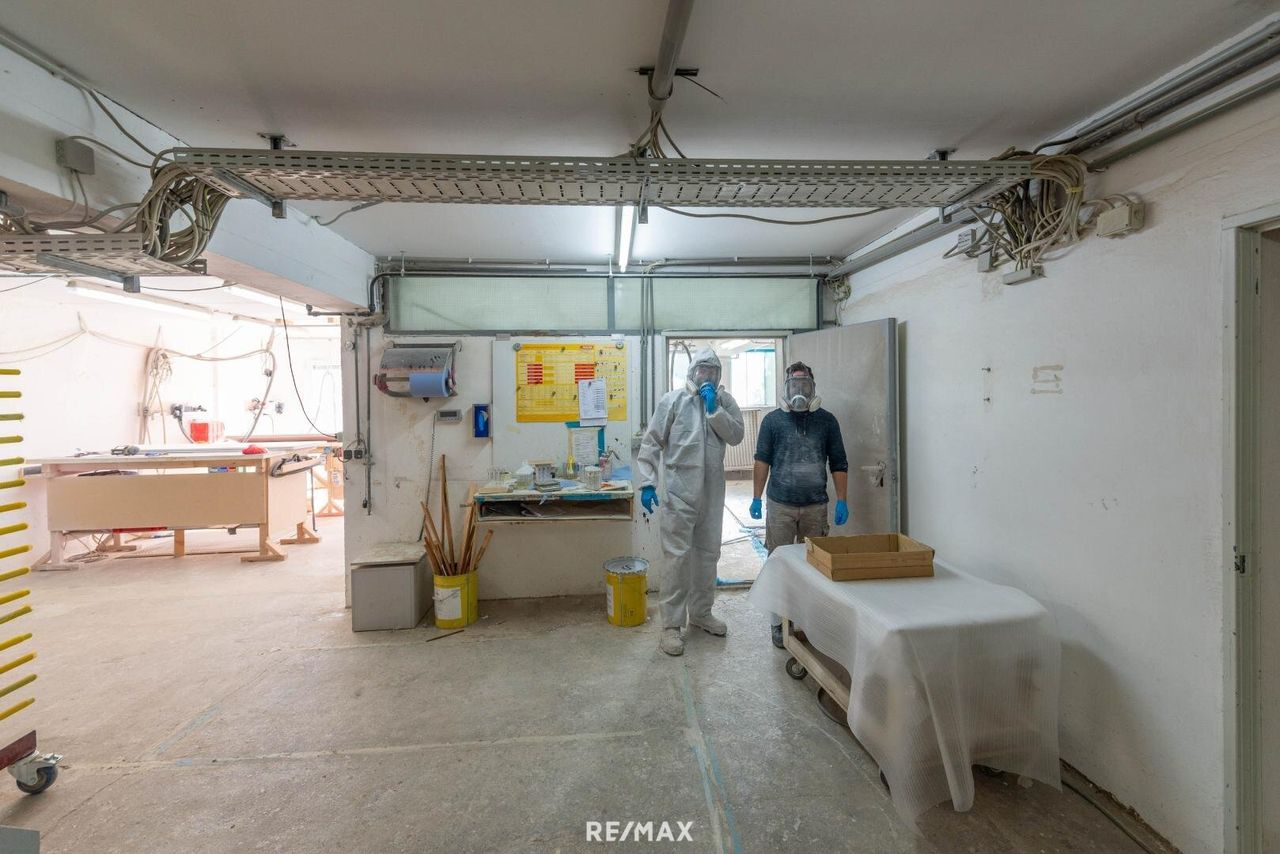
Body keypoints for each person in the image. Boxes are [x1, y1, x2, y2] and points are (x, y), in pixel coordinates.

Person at [636, 347, 745, 656]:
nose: (707, 376)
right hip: (678, 492)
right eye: (702, 370)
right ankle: (671, 625)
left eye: (712, 371)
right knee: (677, 558)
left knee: (708, 554)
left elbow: (736, 436)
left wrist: (715, 410)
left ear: (719, 375)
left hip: (712, 493)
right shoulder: (673, 401)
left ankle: (700, 613)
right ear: (692, 372)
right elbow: (652, 442)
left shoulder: (725, 402)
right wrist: (647, 482)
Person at [750, 361, 849, 648]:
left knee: (814, 568)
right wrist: (756, 497)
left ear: (813, 388)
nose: (800, 391)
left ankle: (809, 622)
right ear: (786, 388)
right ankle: (778, 623)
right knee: (778, 564)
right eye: (795, 385)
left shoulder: (827, 421)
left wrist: (842, 500)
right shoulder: (772, 421)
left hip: (815, 506)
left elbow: (839, 462)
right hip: (780, 505)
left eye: (805, 385)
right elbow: (762, 460)